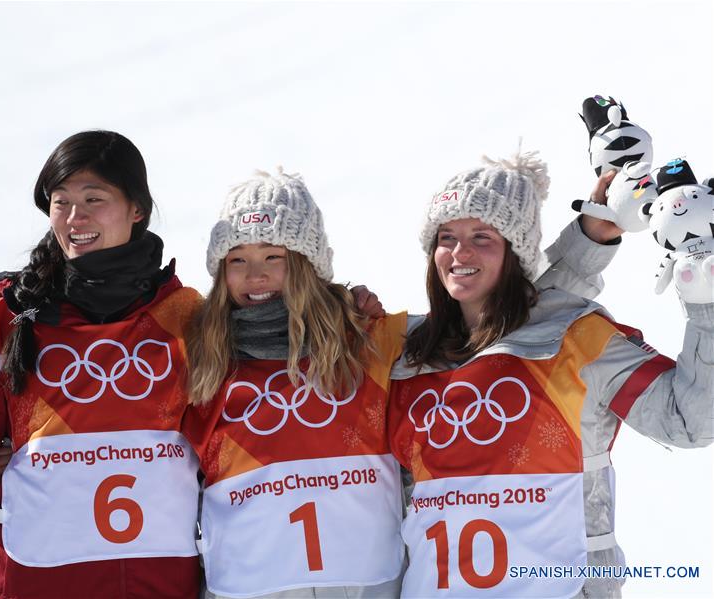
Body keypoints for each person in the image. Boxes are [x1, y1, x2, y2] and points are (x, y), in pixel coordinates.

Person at [180, 166, 625, 599]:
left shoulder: (372, 342)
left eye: (273, 256)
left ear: (306, 264)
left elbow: (508, 318)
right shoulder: (200, 360)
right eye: (237, 259)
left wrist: (588, 242)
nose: (255, 275)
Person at [387, 151, 714, 598]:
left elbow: (690, 421)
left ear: (515, 251)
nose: (460, 253)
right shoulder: (403, 352)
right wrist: (590, 237)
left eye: (482, 236)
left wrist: (706, 298)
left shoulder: (576, 337)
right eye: (447, 236)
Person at [0, 131, 203, 599]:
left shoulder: (189, 319)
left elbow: (248, 431)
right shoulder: (7, 316)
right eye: (61, 202)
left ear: (137, 209)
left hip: (159, 585)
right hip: (33, 582)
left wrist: (350, 315)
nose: (76, 218)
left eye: (94, 198)